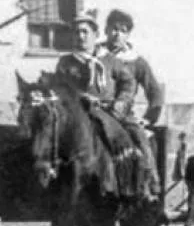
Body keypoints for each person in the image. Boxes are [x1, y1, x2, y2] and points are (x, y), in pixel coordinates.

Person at [55, 14, 140, 194]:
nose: (81, 36)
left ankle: (137, 188)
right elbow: (60, 88)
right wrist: (81, 97)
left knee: (135, 139)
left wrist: (120, 102)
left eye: (85, 32)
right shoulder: (65, 62)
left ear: (95, 35)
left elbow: (128, 82)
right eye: (77, 32)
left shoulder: (110, 60)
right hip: (77, 114)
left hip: (108, 111)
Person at [101, 9, 165, 197]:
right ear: (106, 30)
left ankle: (153, 182)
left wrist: (149, 118)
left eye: (123, 30)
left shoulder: (136, 61)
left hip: (122, 113)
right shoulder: (97, 54)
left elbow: (155, 92)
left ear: (128, 34)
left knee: (141, 141)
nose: (117, 34)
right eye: (114, 29)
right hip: (97, 108)